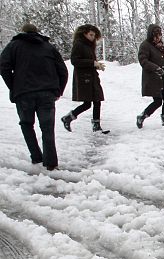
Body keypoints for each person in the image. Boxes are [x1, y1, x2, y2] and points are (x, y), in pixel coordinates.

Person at [0, 23, 68, 170]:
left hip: (23, 94)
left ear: (22, 32)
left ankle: (36, 157)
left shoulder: (13, 46)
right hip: (47, 93)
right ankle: (51, 163)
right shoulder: (48, 47)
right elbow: (63, 71)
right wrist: (58, 91)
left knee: (26, 124)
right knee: (47, 128)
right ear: (37, 32)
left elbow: (3, 66)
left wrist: (14, 86)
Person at [61, 24, 108, 134]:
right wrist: (92, 63)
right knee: (88, 103)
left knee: (97, 100)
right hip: (84, 78)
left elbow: (90, 61)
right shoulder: (79, 44)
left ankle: (96, 125)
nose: (93, 37)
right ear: (84, 34)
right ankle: (68, 118)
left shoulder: (90, 45)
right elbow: (75, 61)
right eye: (91, 35)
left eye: (94, 35)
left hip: (92, 76)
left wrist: (97, 65)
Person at [136, 24, 164, 128]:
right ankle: (142, 116)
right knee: (158, 101)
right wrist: (155, 68)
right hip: (152, 78)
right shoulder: (145, 45)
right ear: (151, 35)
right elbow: (143, 61)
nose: (158, 38)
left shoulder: (160, 46)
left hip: (163, 76)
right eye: (156, 36)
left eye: (160, 35)